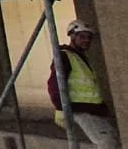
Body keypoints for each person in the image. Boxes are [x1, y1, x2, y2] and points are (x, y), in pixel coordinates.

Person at [49, 20, 120, 149]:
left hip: (91, 110)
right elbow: (54, 84)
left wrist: (102, 108)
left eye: (89, 37)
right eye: (82, 36)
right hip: (79, 110)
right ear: (72, 36)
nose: (86, 40)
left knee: (111, 137)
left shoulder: (79, 57)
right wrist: (61, 106)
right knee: (106, 141)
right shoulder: (65, 56)